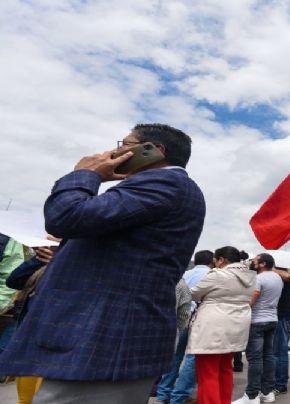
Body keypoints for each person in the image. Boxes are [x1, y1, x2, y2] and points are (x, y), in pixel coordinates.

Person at [0, 124, 206, 404]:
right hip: (104, 338)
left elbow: (67, 215)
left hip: (103, 338)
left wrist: (84, 174)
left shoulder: (164, 183)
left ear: (155, 151)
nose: (116, 150)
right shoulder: (165, 187)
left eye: (125, 143)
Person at [187, 246, 255, 404]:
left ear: (222, 259)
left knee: (207, 373)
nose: (214, 264)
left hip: (213, 326)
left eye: (215, 261)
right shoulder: (251, 276)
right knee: (225, 369)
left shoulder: (218, 274)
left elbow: (194, 294)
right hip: (236, 327)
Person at [156, 250, 217, 404]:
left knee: (175, 356)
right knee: (193, 357)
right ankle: (180, 395)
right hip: (199, 319)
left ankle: (163, 393)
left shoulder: (185, 274)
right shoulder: (213, 276)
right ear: (212, 261)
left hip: (182, 317)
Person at [4, 242, 57, 404]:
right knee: (25, 399)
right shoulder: (42, 264)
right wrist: (39, 259)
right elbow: (13, 280)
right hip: (29, 341)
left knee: (45, 397)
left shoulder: (79, 263)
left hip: (55, 344)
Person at [235, 253, 284, 404]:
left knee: (255, 359)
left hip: (257, 321)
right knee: (268, 356)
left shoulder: (259, 278)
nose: (253, 263)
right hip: (272, 319)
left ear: (262, 264)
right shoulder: (277, 278)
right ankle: (267, 392)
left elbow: (253, 299)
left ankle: (251, 395)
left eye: (255, 261)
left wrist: (240, 308)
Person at [268, 250, 290, 396]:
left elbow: (287, 275)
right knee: (277, 352)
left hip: (282, 317)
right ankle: (278, 382)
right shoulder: (283, 276)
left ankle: (280, 384)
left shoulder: (286, 277)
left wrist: (269, 267)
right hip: (282, 317)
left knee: (279, 352)